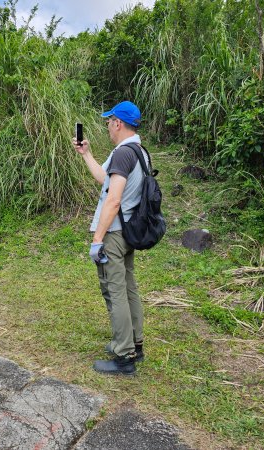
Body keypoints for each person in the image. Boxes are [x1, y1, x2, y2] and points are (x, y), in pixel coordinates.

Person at [73, 100, 146, 376]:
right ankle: (134, 345)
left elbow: (112, 200)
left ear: (117, 123)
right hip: (128, 232)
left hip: (114, 234)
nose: (107, 126)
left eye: (108, 122)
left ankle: (124, 356)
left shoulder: (123, 154)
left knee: (115, 292)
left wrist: (97, 240)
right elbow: (105, 179)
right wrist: (86, 154)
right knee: (128, 289)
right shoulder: (138, 152)